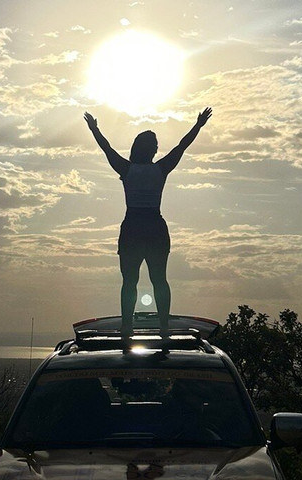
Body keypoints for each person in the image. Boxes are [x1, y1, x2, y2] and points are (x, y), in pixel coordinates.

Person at [84, 107, 212, 341]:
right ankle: (163, 326)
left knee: (130, 280)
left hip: (133, 227)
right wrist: (198, 125)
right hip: (154, 227)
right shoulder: (160, 169)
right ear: (150, 149)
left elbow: (107, 149)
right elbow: (182, 146)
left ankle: (127, 326)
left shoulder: (127, 169)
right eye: (155, 145)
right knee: (158, 279)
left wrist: (95, 129)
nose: (157, 148)